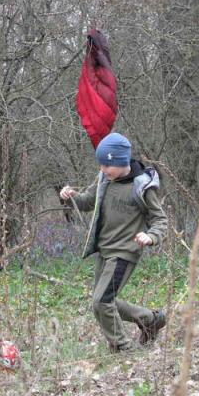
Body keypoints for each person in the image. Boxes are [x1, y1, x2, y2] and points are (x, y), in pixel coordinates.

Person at [60, 133, 168, 352]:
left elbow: (160, 219)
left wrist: (151, 236)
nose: (102, 169)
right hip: (105, 251)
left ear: (121, 161)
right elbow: (87, 201)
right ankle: (150, 319)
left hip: (125, 252)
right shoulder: (104, 180)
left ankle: (122, 347)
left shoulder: (142, 187)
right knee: (101, 302)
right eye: (100, 164)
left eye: (107, 165)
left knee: (102, 301)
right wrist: (71, 196)